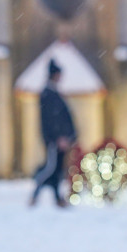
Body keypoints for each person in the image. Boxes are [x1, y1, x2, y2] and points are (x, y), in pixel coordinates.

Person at [29, 59, 76, 208]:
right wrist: (58, 138)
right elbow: (52, 120)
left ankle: (57, 199)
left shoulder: (53, 93)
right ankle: (35, 195)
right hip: (55, 141)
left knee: (57, 170)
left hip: (59, 140)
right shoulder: (48, 95)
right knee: (50, 168)